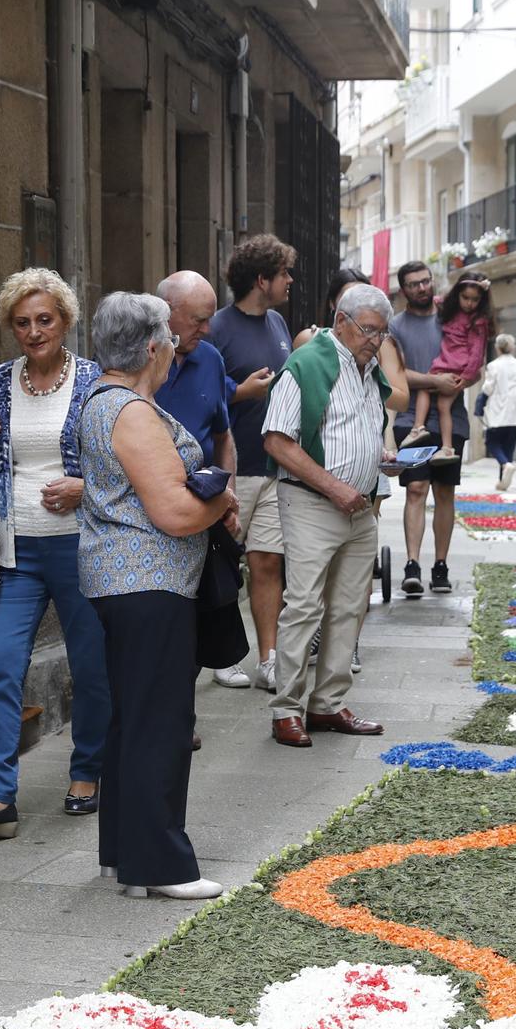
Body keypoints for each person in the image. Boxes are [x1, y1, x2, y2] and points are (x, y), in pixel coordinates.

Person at [76, 293, 237, 899]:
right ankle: (163, 866)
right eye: (169, 337)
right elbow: (173, 512)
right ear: (150, 348)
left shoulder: (106, 401)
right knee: (160, 724)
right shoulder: (130, 411)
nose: (174, 347)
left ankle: (126, 857)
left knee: (133, 721)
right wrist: (222, 501)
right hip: (148, 582)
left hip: (128, 584)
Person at [0, 269, 110, 841]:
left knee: (91, 665)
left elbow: (122, 467)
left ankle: (88, 770)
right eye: (22, 322)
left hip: (78, 544)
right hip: (13, 547)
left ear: (65, 321)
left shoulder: (94, 381)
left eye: (44, 319)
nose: (34, 331)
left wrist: (82, 488)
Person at [263, 283, 396, 748]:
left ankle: (327, 704)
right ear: (341, 322)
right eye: (368, 330)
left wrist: (379, 456)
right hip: (313, 502)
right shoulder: (307, 363)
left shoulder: (368, 369)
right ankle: (286, 710)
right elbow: (277, 440)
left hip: (360, 506)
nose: (375, 340)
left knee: (348, 607)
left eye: (382, 332)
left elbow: (360, 427)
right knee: (304, 606)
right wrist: (336, 485)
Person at [210, 234, 295, 690]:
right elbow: (201, 388)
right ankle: (223, 656)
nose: (290, 281)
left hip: (273, 467)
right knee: (223, 565)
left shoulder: (280, 324)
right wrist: (242, 391)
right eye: (284, 273)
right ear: (261, 279)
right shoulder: (218, 327)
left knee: (267, 563)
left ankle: (268, 659)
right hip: (234, 469)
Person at [157, 269, 242, 712]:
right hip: (151, 518)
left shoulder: (209, 358)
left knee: (198, 619)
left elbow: (224, 435)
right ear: (167, 316)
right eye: (198, 319)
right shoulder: (137, 361)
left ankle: (179, 717)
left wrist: (229, 493)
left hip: (203, 513)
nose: (207, 329)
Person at [385, 261, 468, 596]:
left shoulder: (452, 320)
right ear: (403, 290)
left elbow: (471, 363)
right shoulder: (395, 327)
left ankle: (441, 565)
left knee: (445, 492)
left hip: (453, 419)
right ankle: (413, 564)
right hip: (411, 421)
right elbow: (397, 374)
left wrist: (459, 381)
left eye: (426, 281)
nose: (422, 287)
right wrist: (436, 380)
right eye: (414, 284)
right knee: (416, 489)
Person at [403, 274, 491, 453]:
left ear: (481, 300)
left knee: (427, 388)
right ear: (458, 295)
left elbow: (477, 354)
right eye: (465, 298)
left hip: (456, 369)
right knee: (440, 403)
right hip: (445, 363)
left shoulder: (478, 321)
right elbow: (439, 300)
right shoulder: (452, 310)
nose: (469, 303)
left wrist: (465, 379)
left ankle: (419, 429)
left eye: (475, 299)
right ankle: (445, 446)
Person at [479, 334, 516, 490]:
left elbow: (488, 388)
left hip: (498, 410)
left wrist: (480, 405)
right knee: (509, 445)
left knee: (491, 442)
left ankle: (504, 465)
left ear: (497, 347)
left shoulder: (493, 366)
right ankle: (503, 480)